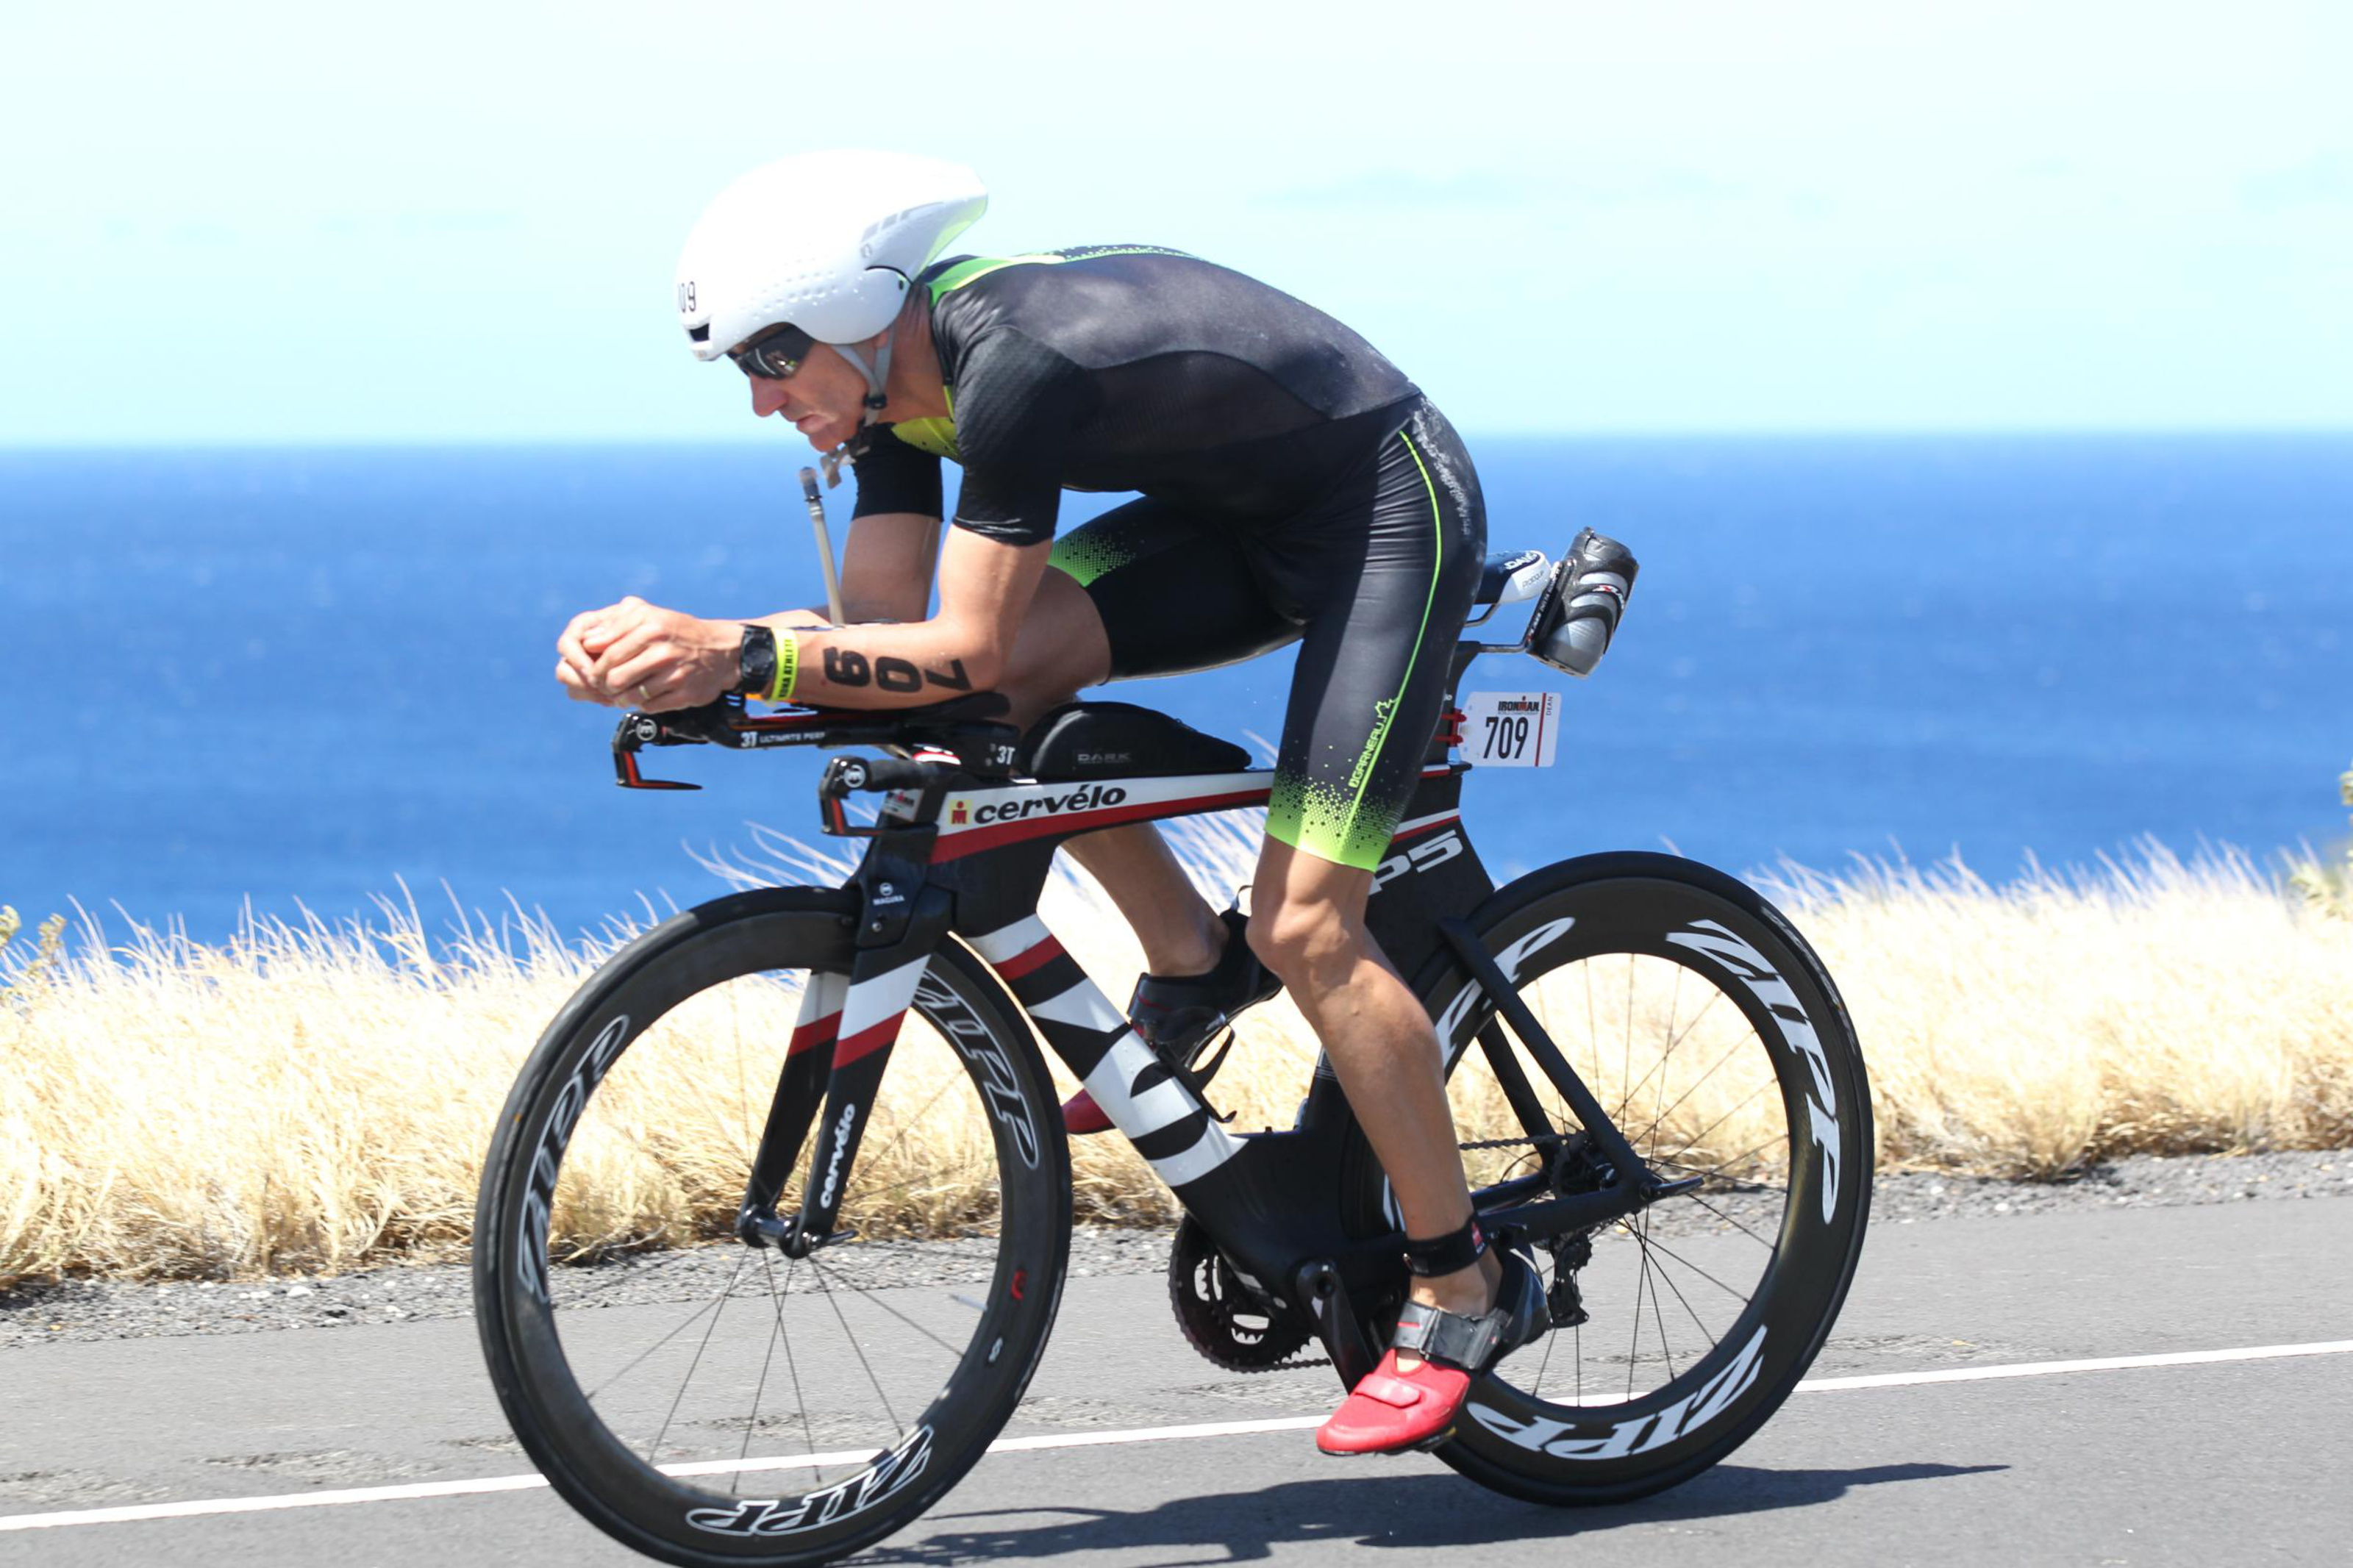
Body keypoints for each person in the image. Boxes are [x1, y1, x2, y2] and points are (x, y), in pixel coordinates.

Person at [554, 151, 1543, 1455]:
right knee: (994, 695)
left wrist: (740, 652)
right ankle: (1194, 962)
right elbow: (881, 642)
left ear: (853, 311)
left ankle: (1462, 1284)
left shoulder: (1009, 363)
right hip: (1227, 526)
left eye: (773, 356)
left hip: (1382, 511)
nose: (762, 398)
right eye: (743, 367)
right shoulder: (887, 398)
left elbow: (956, 645)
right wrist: (691, 663)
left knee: (1307, 924)